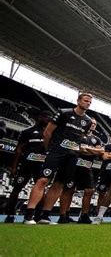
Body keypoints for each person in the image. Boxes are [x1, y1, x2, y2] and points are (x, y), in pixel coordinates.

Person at [23, 93, 93, 225]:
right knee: (43, 180)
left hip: (72, 155)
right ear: (78, 100)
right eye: (85, 101)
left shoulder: (88, 121)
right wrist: (49, 149)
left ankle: (45, 215)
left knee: (59, 184)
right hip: (56, 152)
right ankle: (29, 215)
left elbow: (79, 137)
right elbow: (47, 132)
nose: (88, 103)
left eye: (90, 102)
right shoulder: (63, 113)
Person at [4, 111, 52, 223]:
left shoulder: (50, 133)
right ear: (39, 117)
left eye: (49, 118)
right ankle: (10, 214)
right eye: (46, 117)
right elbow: (19, 149)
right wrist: (14, 166)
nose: (48, 119)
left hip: (41, 165)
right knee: (17, 188)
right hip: (26, 164)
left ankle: (38, 215)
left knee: (41, 189)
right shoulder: (27, 131)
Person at [59, 117, 104, 224]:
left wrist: (87, 149)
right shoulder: (78, 134)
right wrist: (91, 150)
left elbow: (100, 151)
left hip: (87, 167)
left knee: (89, 190)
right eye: (91, 123)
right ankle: (64, 214)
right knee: (69, 189)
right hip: (74, 165)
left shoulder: (96, 139)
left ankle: (84, 216)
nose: (93, 125)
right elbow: (78, 149)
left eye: (95, 124)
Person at [95, 130, 111, 224]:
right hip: (105, 172)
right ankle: (98, 217)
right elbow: (105, 157)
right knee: (101, 194)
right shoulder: (107, 146)